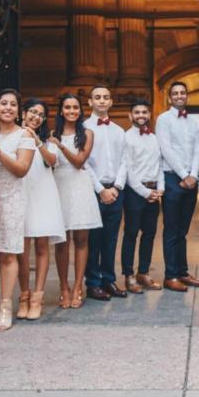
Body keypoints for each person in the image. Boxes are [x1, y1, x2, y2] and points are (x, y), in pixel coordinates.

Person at [0, 88, 36, 329]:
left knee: (7, 254)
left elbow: (21, 169)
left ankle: (6, 306)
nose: (8, 108)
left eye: (13, 104)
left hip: (11, 199)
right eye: (3, 103)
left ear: (18, 111)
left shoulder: (24, 136)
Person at [50, 93, 102, 308]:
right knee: (61, 242)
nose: (71, 111)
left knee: (81, 240)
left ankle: (78, 286)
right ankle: (64, 287)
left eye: (75, 108)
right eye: (67, 107)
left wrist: (61, 146)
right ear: (61, 111)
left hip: (79, 186)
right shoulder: (53, 134)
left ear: (80, 111)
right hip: (59, 186)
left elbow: (79, 162)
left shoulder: (87, 133)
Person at [155, 81, 199, 292]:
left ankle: (183, 272)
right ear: (169, 97)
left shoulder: (192, 122)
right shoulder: (163, 119)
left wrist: (193, 175)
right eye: (175, 93)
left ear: (187, 96)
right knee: (172, 229)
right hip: (172, 179)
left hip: (190, 181)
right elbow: (165, 149)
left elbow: (196, 150)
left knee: (183, 230)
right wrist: (184, 175)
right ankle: (171, 275)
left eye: (182, 92)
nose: (179, 96)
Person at [19, 98, 66, 319]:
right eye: (32, 112)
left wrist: (38, 142)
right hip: (21, 193)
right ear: (23, 113)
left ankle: (37, 296)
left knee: (41, 246)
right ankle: (24, 295)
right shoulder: (14, 135)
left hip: (42, 193)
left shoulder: (49, 140)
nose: (36, 117)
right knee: (21, 249)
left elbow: (52, 161)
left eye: (40, 114)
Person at [84, 85, 127, 300]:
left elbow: (125, 161)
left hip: (116, 191)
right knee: (93, 240)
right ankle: (93, 283)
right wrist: (101, 190)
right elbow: (83, 163)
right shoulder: (84, 128)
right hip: (94, 190)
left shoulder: (119, 131)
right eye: (97, 97)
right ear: (90, 102)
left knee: (111, 239)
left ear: (111, 102)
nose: (102, 100)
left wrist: (117, 187)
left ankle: (108, 279)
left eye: (106, 97)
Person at [121, 99, 165, 293]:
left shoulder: (154, 138)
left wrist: (160, 189)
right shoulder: (126, 138)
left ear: (149, 115)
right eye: (137, 112)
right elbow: (128, 170)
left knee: (149, 234)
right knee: (131, 234)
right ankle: (129, 276)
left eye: (144, 112)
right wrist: (145, 192)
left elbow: (160, 165)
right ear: (130, 115)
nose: (141, 115)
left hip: (154, 193)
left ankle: (143, 273)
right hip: (135, 192)